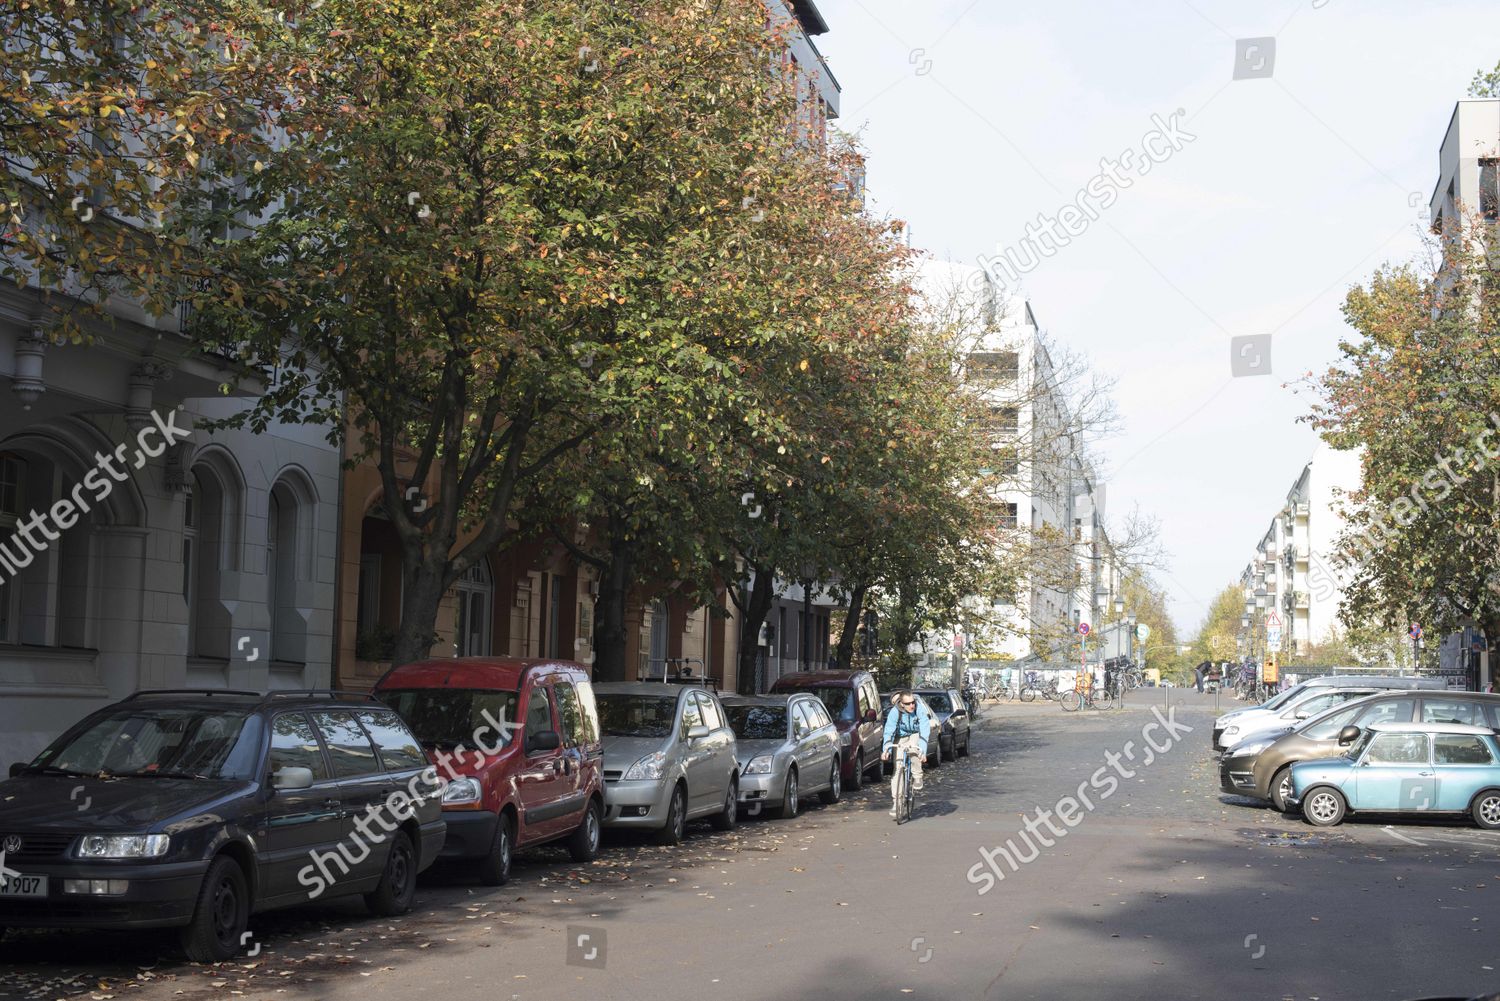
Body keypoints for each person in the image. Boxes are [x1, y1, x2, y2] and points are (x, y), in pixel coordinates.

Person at [882, 690, 934, 818]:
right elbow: (889, 731)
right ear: (901, 704)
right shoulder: (895, 712)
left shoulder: (919, 709)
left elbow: (924, 729)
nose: (912, 705)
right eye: (908, 703)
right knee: (898, 768)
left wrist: (922, 750)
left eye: (913, 702)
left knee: (913, 750)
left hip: (915, 734)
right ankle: (897, 803)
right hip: (901, 737)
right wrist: (886, 750)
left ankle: (917, 776)